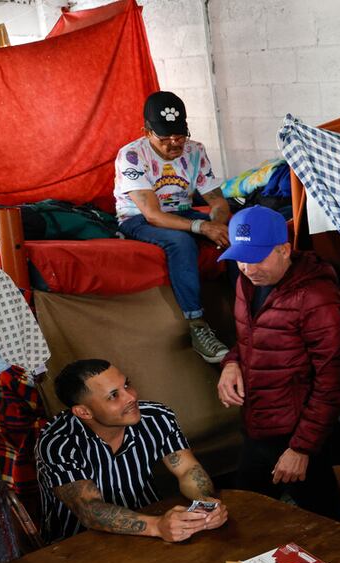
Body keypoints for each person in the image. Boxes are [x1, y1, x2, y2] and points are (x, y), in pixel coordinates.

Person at [216, 206, 340, 522]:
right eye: (241, 258)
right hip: (256, 427)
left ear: (285, 250)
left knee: (326, 526)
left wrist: (301, 449)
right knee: (247, 519)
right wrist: (231, 363)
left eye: (258, 257)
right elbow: (252, 339)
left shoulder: (316, 297)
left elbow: (334, 380)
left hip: (297, 435)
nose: (248, 267)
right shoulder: (247, 282)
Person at [35, 359, 228, 543]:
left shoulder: (156, 417)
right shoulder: (58, 442)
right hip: (79, 544)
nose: (131, 397)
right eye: (113, 395)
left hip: (150, 521)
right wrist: (157, 526)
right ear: (84, 412)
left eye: (126, 385)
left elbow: (187, 469)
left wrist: (205, 504)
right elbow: (90, 510)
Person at [113, 90, 231, 363]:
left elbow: (217, 200)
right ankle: (197, 326)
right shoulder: (131, 155)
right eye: (164, 139)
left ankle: (250, 312)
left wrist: (218, 223)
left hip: (181, 211)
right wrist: (201, 228)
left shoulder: (195, 151)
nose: (173, 144)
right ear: (146, 132)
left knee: (236, 231)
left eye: (179, 136)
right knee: (180, 242)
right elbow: (153, 215)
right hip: (138, 218)